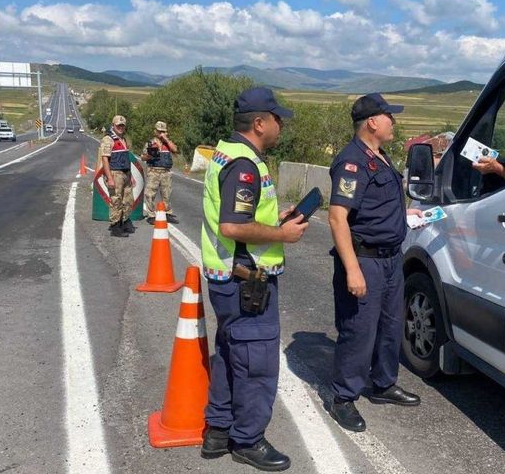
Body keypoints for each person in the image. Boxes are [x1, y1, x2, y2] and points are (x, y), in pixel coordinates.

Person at [200, 87, 308, 471]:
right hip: (247, 282)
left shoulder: (227, 152)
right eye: (277, 119)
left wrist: (277, 218)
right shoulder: (244, 164)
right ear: (259, 122)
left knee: (231, 354)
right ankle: (247, 439)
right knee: (256, 362)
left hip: (228, 278)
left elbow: (236, 216)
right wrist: (283, 235)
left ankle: (217, 430)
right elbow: (233, 225)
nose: (281, 125)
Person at [328, 93, 423, 433]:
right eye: (389, 117)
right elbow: (338, 218)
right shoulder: (351, 162)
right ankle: (343, 397)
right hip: (365, 259)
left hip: (390, 259)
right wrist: (352, 269)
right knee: (359, 330)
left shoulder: (379, 157)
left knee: (390, 325)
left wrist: (406, 215)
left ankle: (383, 384)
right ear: (372, 122)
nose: (393, 122)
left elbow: (377, 206)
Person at [99, 115, 135, 237]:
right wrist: (109, 178)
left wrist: (131, 176)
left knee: (128, 200)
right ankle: (115, 226)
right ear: (113, 125)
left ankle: (124, 221)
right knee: (116, 200)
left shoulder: (123, 139)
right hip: (115, 173)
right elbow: (104, 159)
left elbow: (126, 158)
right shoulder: (108, 139)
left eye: (122, 125)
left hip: (126, 173)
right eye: (118, 125)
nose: (120, 127)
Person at [141, 121, 178, 224]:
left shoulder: (168, 143)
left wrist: (166, 139)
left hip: (165, 172)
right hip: (153, 171)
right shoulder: (150, 143)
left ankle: (168, 213)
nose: (161, 133)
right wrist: (149, 156)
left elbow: (175, 149)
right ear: (155, 131)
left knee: (167, 194)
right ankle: (151, 215)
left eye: (163, 131)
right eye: (159, 131)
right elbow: (142, 157)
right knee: (150, 194)